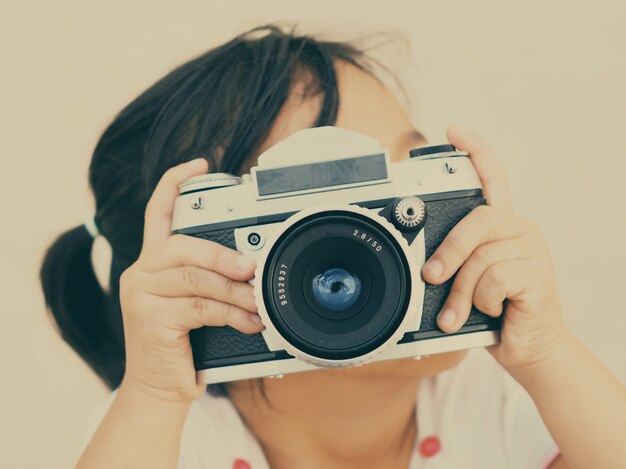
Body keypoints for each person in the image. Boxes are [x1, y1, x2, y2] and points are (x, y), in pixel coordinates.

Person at [40, 25, 626, 469]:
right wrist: (153, 393)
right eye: (329, 217)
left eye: (405, 190)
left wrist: (549, 354)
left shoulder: (499, 400)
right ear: (198, 268)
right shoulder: (160, 431)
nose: (388, 238)